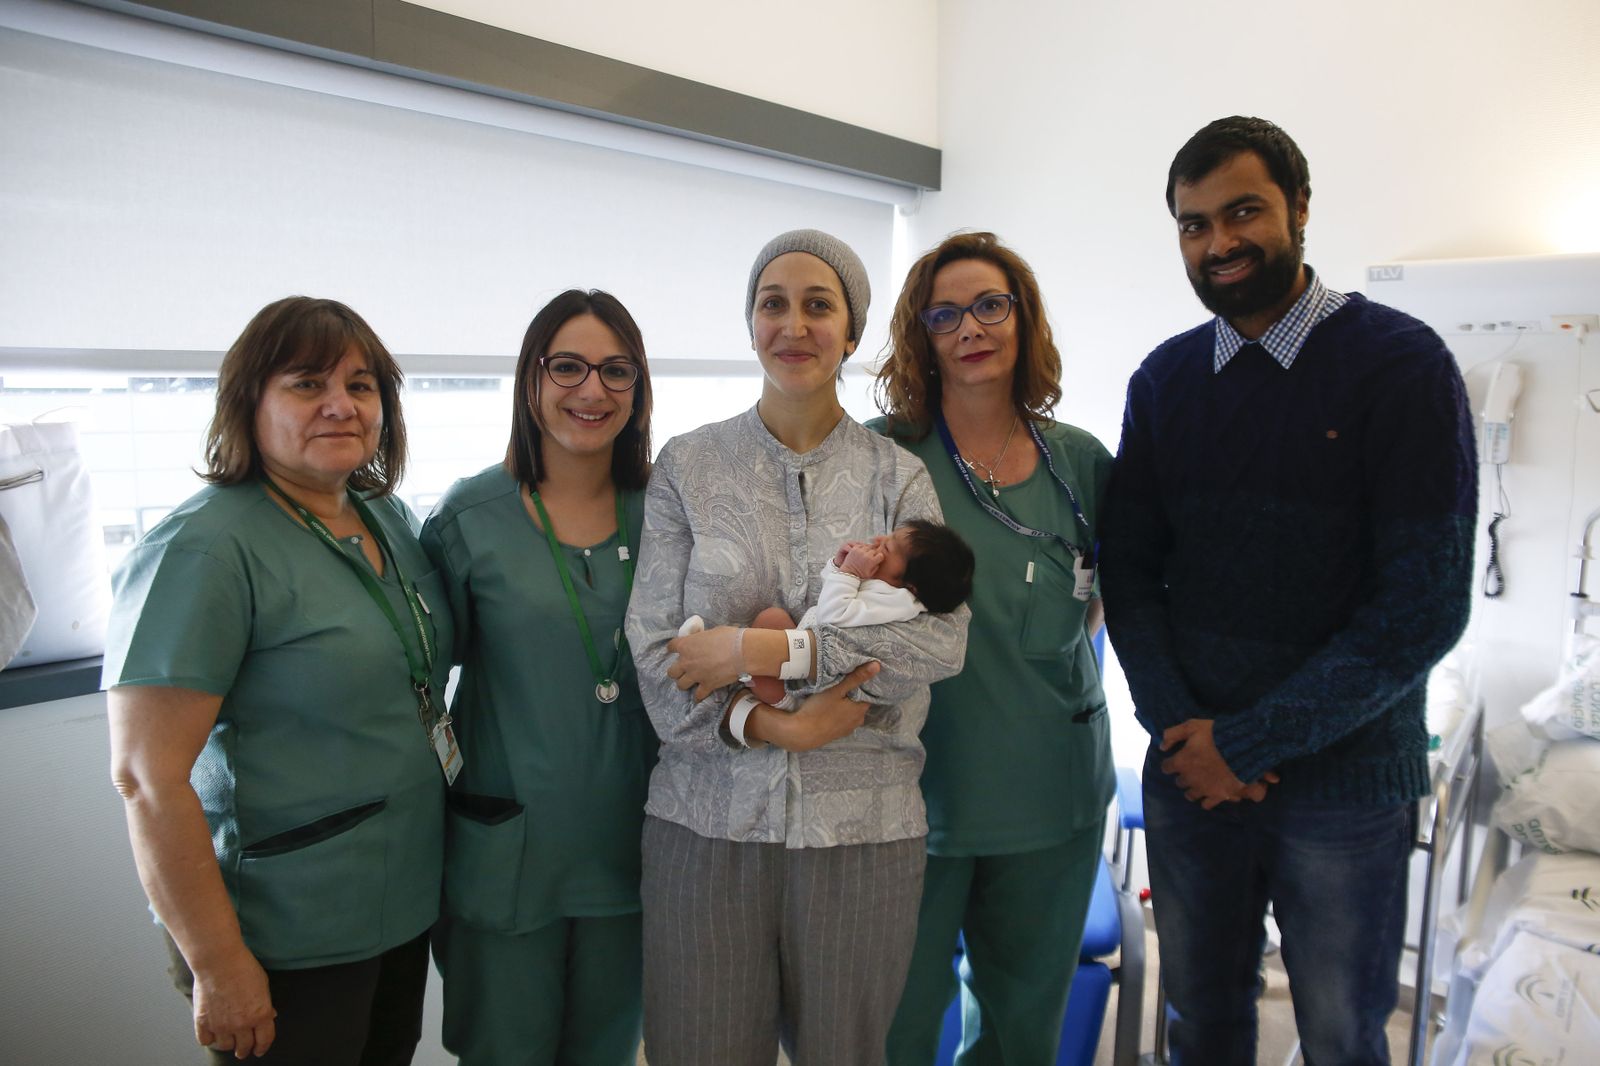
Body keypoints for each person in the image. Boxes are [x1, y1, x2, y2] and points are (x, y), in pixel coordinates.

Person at [1100, 116, 1476, 1064]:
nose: (1218, 243)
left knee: (1343, 1036)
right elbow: (1129, 575)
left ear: (1299, 208)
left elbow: (1425, 606)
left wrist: (1249, 742)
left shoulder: (1402, 367)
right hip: (1193, 775)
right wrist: (1184, 731)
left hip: (1346, 788)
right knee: (1199, 1026)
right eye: (1194, 225)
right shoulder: (1166, 380)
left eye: (1243, 213)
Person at [624, 228, 969, 1066]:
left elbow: (940, 642)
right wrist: (780, 725)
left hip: (865, 833)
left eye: (819, 305)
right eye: (772, 304)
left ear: (850, 332)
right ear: (750, 324)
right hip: (706, 824)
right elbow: (656, 652)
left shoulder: (898, 478)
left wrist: (767, 653)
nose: (794, 324)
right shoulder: (688, 466)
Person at [104, 296, 454, 1064]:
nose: (341, 405)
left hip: (397, 902)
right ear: (248, 402)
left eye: (361, 386)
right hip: (282, 928)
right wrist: (217, 964)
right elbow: (146, 780)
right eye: (307, 384)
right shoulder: (204, 549)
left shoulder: (385, 518)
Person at [871, 231, 1115, 1065]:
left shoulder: (1079, 461)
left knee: (1020, 1034)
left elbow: (1103, 599)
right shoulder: (881, 456)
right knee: (892, 1026)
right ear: (922, 335)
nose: (970, 327)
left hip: (1050, 791)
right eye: (944, 315)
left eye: (989, 305)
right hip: (911, 792)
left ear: (1023, 317)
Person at [420, 290, 659, 1065]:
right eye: (568, 367)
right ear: (531, 379)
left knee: (605, 1053)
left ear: (638, 388)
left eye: (616, 370)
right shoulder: (469, 519)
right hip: (509, 855)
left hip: (630, 852)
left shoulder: (668, 512)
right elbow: (421, 682)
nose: (593, 390)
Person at [691, 520, 975, 707]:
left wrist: (849, 573)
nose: (878, 540)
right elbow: (835, 596)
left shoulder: (898, 602)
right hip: (801, 652)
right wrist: (839, 566)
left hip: (807, 688)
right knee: (772, 618)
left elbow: (833, 615)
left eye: (887, 547)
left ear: (910, 586)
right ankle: (730, 666)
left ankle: (758, 692)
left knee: (766, 632)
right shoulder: (888, 588)